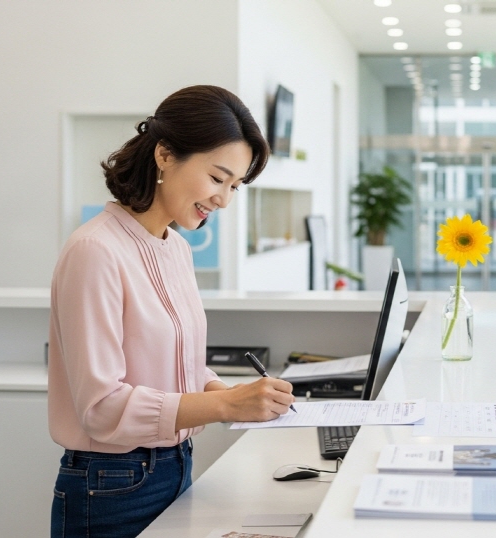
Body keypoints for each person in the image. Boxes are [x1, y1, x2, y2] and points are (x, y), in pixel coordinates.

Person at [46, 85, 296, 537]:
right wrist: (222, 405)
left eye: (235, 186)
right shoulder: (95, 250)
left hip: (175, 466)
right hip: (111, 485)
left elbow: (176, 365)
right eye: (217, 178)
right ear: (165, 154)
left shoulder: (176, 247)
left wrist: (233, 396)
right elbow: (101, 408)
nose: (223, 200)